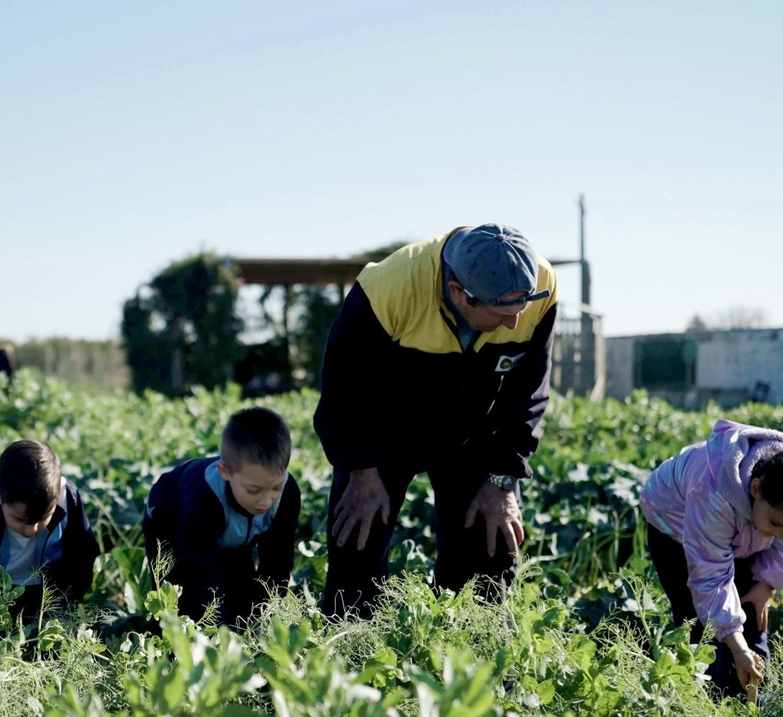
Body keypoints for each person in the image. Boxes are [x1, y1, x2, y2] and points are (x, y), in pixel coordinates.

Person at [315, 224, 558, 616]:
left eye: (520, 309)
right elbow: (343, 390)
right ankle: (351, 661)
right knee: (356, 547)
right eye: (501, 313)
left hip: (478, 432)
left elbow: (528, 392)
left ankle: (479, 669)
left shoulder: (541, 287)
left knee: (489, 556)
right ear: (459, 293)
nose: (514, 325)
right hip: (384, 432)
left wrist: (502, 478)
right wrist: (361, 470)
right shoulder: (388, 287)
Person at [641, 420, 783, 700]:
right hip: (674, 525)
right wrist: (737, 647)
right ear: (755, 488)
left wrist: (766, 586)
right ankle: (708, 700)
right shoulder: (712, 494)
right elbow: (710, 578)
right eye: (776, 523)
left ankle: (755, 693)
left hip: (744, 524)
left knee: (751, 608)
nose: (777, 535)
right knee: (698, 621)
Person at [143, 407, 302, 628]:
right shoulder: (202, 498)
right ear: (225, 472)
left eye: (275, 488)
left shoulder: (288, 493)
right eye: (254, 490)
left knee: (242, 600)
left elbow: (277, 560)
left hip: (228, 530)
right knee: (180, 604)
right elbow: (200, 571)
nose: (266, 501)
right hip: (168, 523)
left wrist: (264, 619)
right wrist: (220, 634)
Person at [0, 440, 99, 618]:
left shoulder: (68, 500)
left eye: (42, 519)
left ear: (56, 500)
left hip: (47, 593)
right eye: (20, 519)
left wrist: (66, 603)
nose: (30, 531)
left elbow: (82, 559)